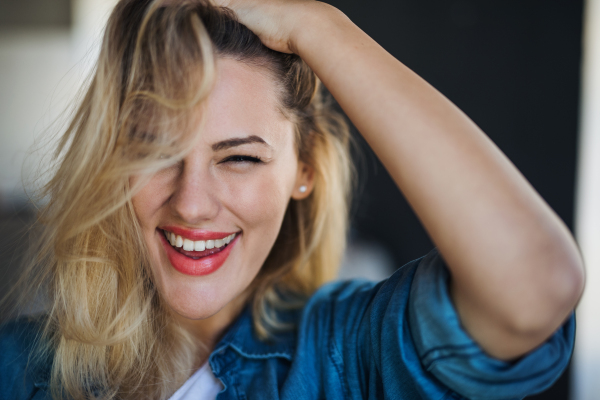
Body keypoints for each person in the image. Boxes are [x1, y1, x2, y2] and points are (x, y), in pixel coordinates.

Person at [0, 0, 585, 399]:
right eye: (154, 152)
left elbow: (538, 286)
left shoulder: (342, 358)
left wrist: (319, 25)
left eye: (240, 157)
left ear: (303, 169)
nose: (193, 204)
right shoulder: (19, 367)